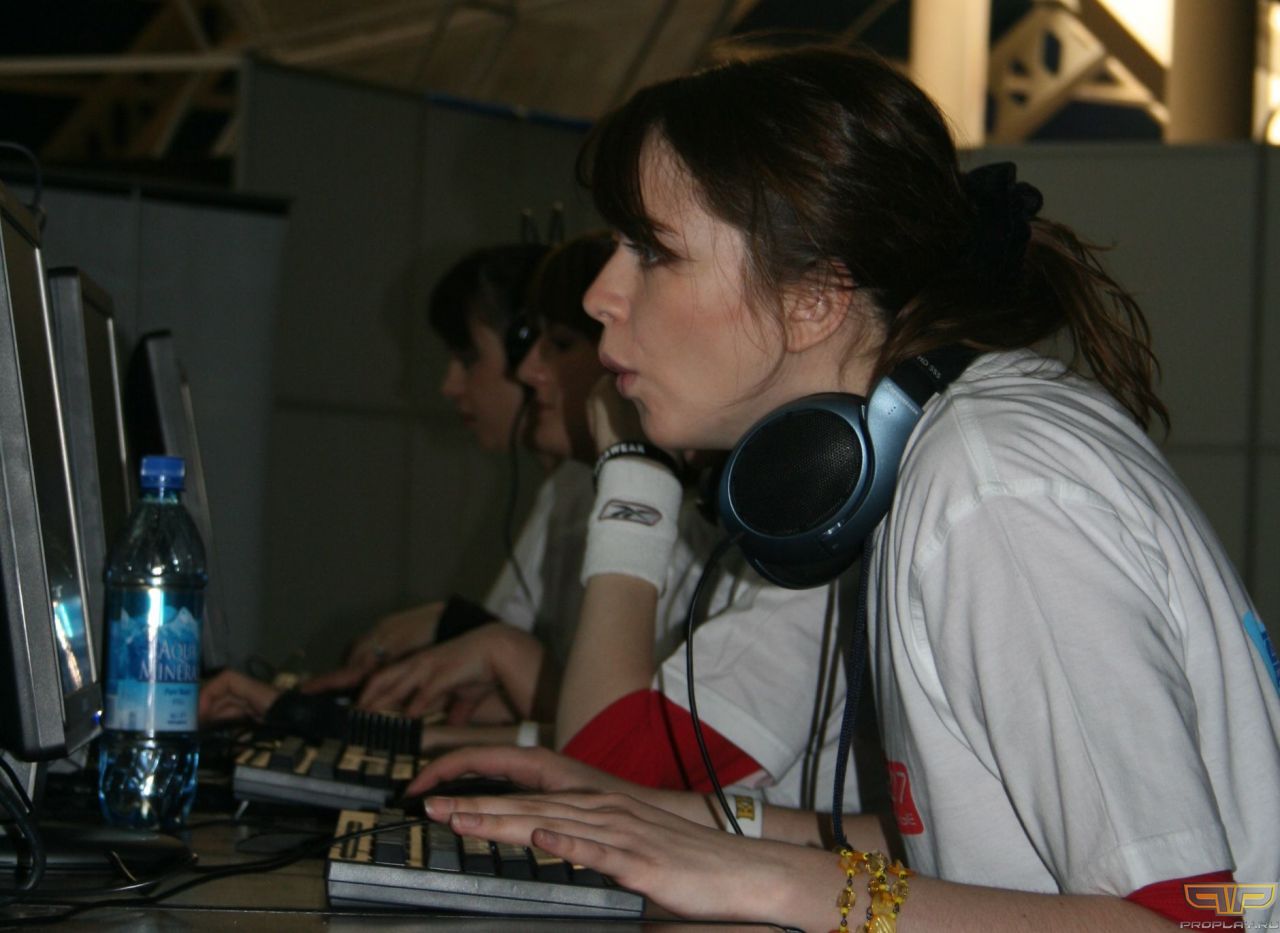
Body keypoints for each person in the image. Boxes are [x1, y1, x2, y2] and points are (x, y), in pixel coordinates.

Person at [401, 46, 1280, 932]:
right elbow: (964, 854)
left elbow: (1192, 920)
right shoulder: (942, 461)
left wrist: (773, 884)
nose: (599, 294)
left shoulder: (995, 492)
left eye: (653, 252)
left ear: (814, 298)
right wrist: (659, 819)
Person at [356, 232, 859, 816]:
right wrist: (460, 738)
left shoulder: (823, 541)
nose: (530, 371)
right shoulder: (747, 517)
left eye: (656, 255)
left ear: (809, 301)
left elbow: (602, 777)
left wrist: (635, 469)